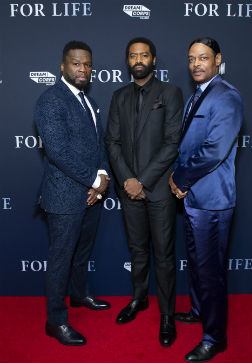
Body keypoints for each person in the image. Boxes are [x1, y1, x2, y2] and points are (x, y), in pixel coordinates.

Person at [106, 37, 184, 347]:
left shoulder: (170, 93)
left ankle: (167, 314)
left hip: (158, 191)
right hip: (129, 190)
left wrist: (144, 180)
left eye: (144, 54)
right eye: (133, 55)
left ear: (154, 59)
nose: (138, 59)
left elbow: (171, 143)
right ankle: (139, 299)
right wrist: (127, 179)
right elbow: (112, 142)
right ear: (128, 61)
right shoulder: (118, 96)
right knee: (137, 251)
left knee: (164, 255)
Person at [170, 37, 243, 362]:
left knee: (210, 270)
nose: (196, 64)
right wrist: (178, 179)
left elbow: (213, 150)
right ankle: (200, 311)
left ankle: (215, 338)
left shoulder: (226, 97)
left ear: (217, 60)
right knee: (199, 266)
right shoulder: (197, 96)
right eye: (191, 59)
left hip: (212, 199)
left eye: (203, 58)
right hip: (193, 199)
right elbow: (186, 145)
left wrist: (180, 179)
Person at [35, 41, 111, 346]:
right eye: (77, 63)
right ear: (63, 66)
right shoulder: (50, 100)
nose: (83, 69)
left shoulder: (89, 102)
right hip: (64, 197)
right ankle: (55, 321)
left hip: (91, 194)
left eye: (88, 64)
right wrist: (94, 179)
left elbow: (99, 144)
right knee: (61, 259)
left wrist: (103, 175)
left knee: (82, 253)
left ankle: (80, 295)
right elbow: (58, 152)